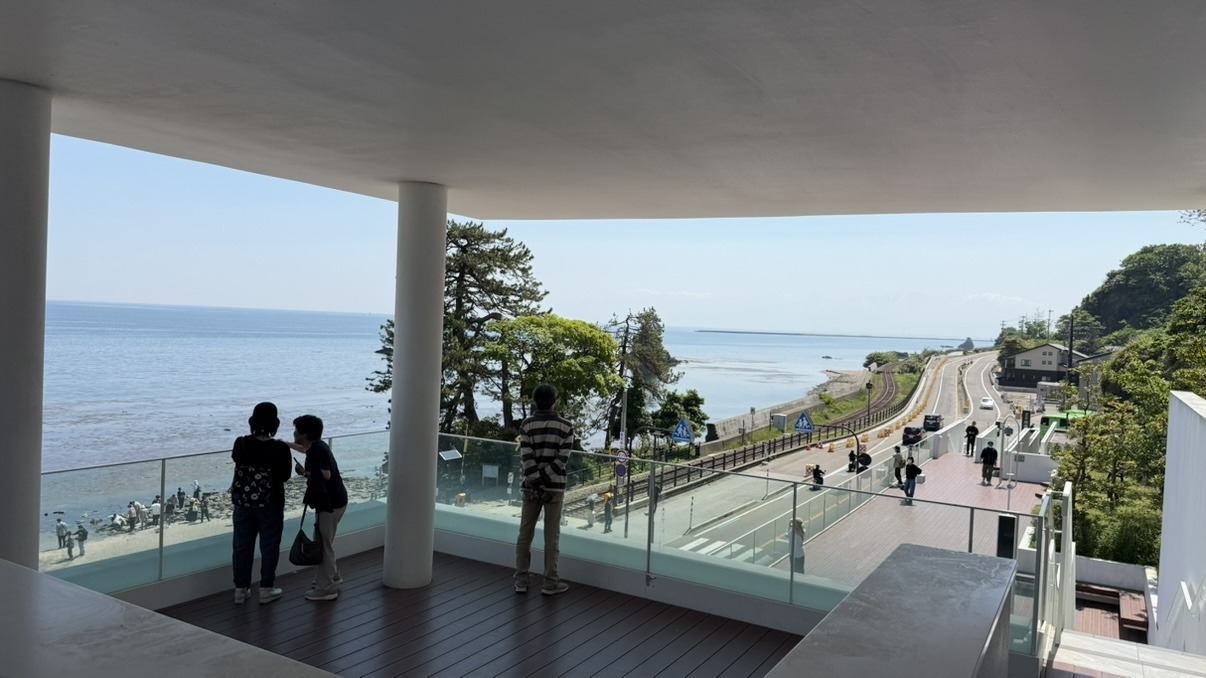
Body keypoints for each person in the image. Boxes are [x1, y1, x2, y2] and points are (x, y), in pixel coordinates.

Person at [514, 383, 575, 596]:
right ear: (555, 401)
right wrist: (545, 479)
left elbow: (526, 457)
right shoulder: (566, 427)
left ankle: (521, 580)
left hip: (531, 488)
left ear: (534, 401)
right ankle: (550, 582)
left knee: (525, 532)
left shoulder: (526, 424)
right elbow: (561, 461)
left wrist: (535, 480)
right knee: (552, 536)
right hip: (554, 489)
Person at [230, 402, 294, 605]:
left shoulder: (240, 443)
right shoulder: (281, 448)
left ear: (252, 422)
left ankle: (241, 589)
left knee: (241, 546)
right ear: (275, 424)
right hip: (271, 503)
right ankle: (266, 588)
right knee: (269, 546)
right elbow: (284, 476)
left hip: (243, 503)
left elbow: (237, 461)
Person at [291, 413, 348, 602]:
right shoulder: (317, 446)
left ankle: (326, 589)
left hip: (329, 503)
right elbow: (319, 470)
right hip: (336, 501)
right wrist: (305, 472)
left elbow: (326, 475)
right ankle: (332, 576)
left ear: (305, 434)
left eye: (296, 431)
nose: (294, 433)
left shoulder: (316, 450)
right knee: (324, 541)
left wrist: (308, 473)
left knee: (323, 545)